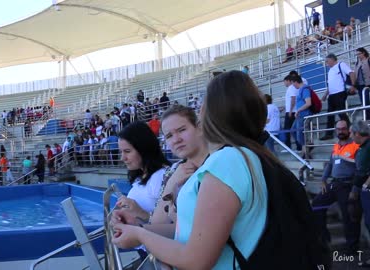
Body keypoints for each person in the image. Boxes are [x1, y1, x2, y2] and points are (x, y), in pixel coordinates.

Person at [112, 71, 273, 269]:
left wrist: (140, 234)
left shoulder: (226, 161)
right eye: (169, 135)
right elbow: (186, 232)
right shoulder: (245, 156)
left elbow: (198, 259)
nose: (201, 111)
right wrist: (139, 226)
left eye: (182, 129)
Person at [112, 105, 209, 235]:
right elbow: (157, 223)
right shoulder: (173, 172)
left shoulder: (218, 164)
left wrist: (138, 227)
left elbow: (196, 230)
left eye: (182, 130)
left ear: (199, 127)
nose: (176, 139)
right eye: (169, 135)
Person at [116, 121, 170, 258]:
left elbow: (175, 226)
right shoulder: (141, 176)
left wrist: (139, 212)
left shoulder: (161, 177)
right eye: (121, 152)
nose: (123, 158)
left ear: (144, 148)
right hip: (146, 250)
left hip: (159, 255)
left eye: (127, 151)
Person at [312, 120, 361, 254]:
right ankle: (323, 237)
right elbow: (330, 164)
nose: (341, 132)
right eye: (338, 129)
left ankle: (352, 248)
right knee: (316, 204)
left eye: (343, 129)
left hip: (347, 184)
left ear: (348, 130)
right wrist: (323, 180)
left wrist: (355, 188)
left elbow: (360, 169)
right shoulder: (336, 146)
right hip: (334, 184)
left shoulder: (355, 146)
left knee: (348, 215)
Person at [320, 53, 356, 140]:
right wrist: (325, 94)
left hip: (340, 92)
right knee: (330, 114)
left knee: (341, 112)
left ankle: (350, 130)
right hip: (332, 95)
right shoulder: (330, 71)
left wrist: (353, 85)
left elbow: (351, 73)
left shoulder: (341, 65)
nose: (327, 63)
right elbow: (330, 85)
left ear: (332, 59)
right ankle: (329, 133)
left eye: (327, 61)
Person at [350, 121, 370, 267]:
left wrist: (365, 184)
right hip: (363, 191)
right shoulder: (361, 148)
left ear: (357, 133)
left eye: (352, 133)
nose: (351, 136)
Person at [292, 75, 313, 157]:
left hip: (304, 114)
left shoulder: (305, 89)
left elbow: (308, 103)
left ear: (296, 82)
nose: (293, 86)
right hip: (300, 115)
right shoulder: (301, 90)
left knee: (299, 134)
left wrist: (298, 110)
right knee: (293, 130)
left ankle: (306, 150)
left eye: (293, 84)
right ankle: (306, 147)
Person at [282, 75, 301, 151]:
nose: (284, 84)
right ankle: (298, 146)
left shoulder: (291, 88)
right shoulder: (295, 88)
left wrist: (290, 111)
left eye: (285, 82)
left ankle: (288, 147)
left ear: (288, 81)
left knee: (287, 130)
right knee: (294, 130)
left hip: (291, 112)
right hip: (294, 111)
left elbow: (293, 99)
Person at [354, 47, 370, 119]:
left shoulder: (368, 60)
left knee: (367, 102)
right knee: (364, 102)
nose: (358, 56)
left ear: (363, 53)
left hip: (368, 84)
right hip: (360, 86)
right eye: (357, 55)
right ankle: (367, 117)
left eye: (359, 54)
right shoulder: (357, 62)